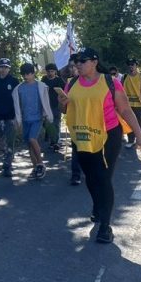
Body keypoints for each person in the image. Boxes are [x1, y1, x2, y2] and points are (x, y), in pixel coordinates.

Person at [55, 47, 141, 244]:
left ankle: (105, 226)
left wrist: (139, 136)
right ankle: (98, 206)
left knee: (104, 178)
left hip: (108, 137)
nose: (78, 64)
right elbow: (65, 110)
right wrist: (62, 102)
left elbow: (125, 110)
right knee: (90, 177)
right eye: (76, 61)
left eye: (83, 61)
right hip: (82, 136)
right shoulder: (72, 84)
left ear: (94, 62)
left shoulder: (110, 82)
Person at [12, 63, 53, 178]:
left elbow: (46, 102)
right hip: (25, 119)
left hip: (37, 118)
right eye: (24, 74)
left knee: (32, 139)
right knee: (29, 144)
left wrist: (47, 115)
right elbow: (17, 105)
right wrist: (18, 120)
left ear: (33, 73)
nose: (26, 76)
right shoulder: (19, 89)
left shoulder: (41, 86)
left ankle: (40, 163)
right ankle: (35, 167)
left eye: (28, 74)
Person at [122, 59, 141, 147]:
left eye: (132, 64)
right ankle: (131, 141)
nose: (130, 66)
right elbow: (120, 90)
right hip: (128, 106)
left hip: (140, 105)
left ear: (136, 65)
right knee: (129, 123)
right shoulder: (124, 77)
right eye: (129, 64)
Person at [65, 58, 83, 186]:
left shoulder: (93, 80)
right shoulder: (70, 83)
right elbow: (64, 106)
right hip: (75, 121)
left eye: (74, 66)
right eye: (70, 67)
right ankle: (75, 175)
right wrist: (62, 101)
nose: (72, 69)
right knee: (76, 149)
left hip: (92, 122)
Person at [40, 63, 66, 154]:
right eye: (49, 71)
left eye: (52, 71)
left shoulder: (59, 80)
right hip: (46, 105)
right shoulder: (44, 79)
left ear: (55, 72)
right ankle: (51, 138)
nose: (50, 73)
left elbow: (65, 91)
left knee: (56, 123)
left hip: (56, 105)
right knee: (47, 123)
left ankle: (55, 142)